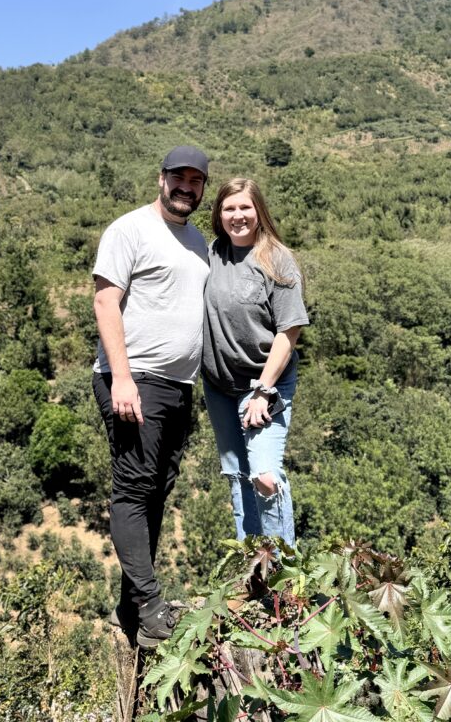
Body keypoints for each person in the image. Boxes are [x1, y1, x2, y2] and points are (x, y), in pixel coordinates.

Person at [91, 146, 209, 648]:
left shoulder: (198, 241)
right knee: (134, 489)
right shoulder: (130, 230)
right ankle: (151, 606)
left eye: (195, 180)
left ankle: (131, 606)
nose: (186, 187)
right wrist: (121, 377)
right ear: (160, 179)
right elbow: (105, 301)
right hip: (134, 380)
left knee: (156, 492)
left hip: (179, 387)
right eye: (178, 177)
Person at [201, 177, 308, 548]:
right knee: (238, 475)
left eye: (245, 207)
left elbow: (289, 331)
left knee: (264, 476)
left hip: (264, 384)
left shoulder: (277, 260)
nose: (238, 216)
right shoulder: (212, 254)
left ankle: (284, 568)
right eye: (229, 208)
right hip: (219, 386)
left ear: (259, 211)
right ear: (219, 215)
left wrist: (263, 390)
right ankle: (251, 564)